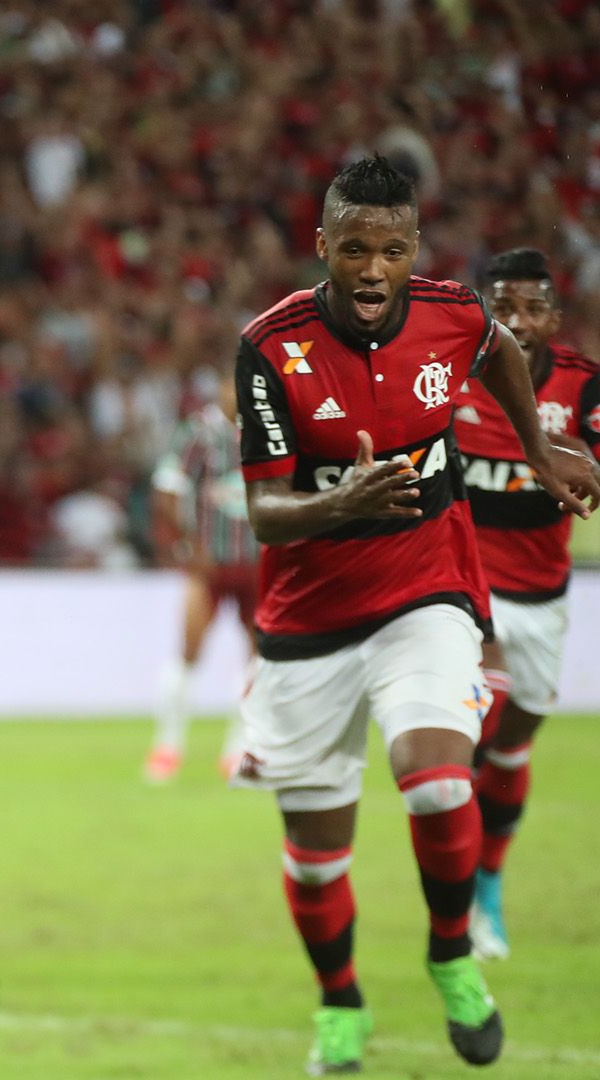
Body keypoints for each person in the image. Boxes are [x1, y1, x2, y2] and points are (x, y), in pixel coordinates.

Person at [231, 155, 600, 1075]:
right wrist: (339, 504)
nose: (370, 270)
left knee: (438, 780)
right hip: (307, 618)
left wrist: (540, 453)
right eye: (353, 248)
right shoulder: (272, 347)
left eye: (390, 251)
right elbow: (264, 511)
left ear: (413, 252)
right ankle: (339, 1003)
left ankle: (451, 954)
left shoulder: (454, 314)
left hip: (424, 590)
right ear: (323, 245)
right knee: (318, 855)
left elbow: (501, 354)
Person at [451, 247, 600, 961]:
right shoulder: (447, 377)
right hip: (464, 585)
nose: (518, 321)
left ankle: (486, 886)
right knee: (481, 717)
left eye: (532, 307)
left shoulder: (584, 387)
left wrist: (571, 455)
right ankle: (452, 891)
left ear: (554, 316)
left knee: (512, 746)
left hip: (542, 597)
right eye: (502, 307)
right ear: (484, 311)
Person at [144, 372, 258, 783]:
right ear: (222, 389)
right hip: (208, 565)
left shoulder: (265, 429)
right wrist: (185, 546)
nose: (239, 393)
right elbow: (168, 489)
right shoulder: (199, 431)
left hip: (255, 562)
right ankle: (168, 747)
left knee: (258, 660)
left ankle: (238, 751)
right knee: (188, 652)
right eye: (233, 385)